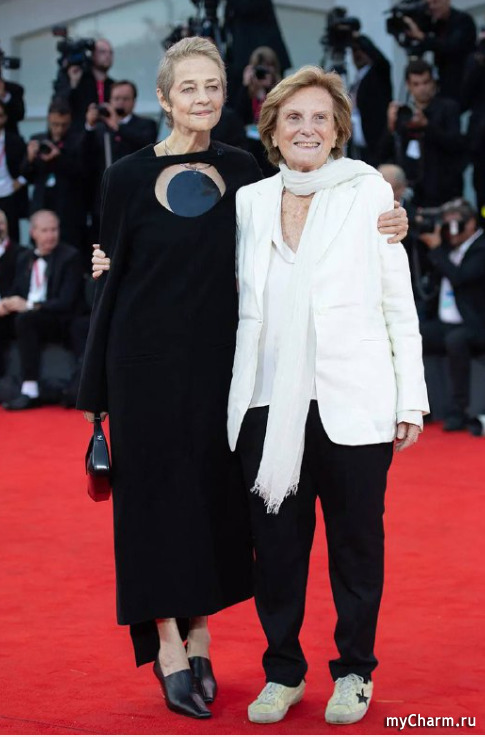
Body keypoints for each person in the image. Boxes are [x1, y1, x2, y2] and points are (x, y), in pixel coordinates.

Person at [87, 41, 409, 722]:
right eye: (188, 88)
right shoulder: (140, 179)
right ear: (163, 97)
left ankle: (219, 639)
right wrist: (102, 274)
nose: (202, 98)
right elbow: (117, 263)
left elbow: (335, 216)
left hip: (238, 373)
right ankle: (187, 650)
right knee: (171, 513)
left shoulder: (253, 174)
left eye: (213, 86)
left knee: (220, 509)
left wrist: (394, 219)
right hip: (161, 370)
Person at [227, 66, 428, 726]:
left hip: (353, 400)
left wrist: (409, 398)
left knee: (355, 547)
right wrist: (114, 262)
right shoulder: (250, 202)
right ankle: (282, 671)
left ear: (339, 128)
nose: (307, 128)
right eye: (293, 117)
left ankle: (355, 671)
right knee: (275, 550)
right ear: (273, 129)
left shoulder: (368, 190)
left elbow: (396, 301)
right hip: (266, 402)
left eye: (320, 117)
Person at [2, 210, 84, 410]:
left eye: (54, 230)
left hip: (59, 319)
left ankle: (30, 389)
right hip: (31, 317)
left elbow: (66, 301)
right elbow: (17, 290)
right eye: (45, 230)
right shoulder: (25, 257)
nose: (50, 235)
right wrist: (5, 304)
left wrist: (29, 306)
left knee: (25, 319)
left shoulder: (70, 256)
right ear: (33, 232)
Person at [419, 199, 485, 434]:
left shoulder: (481, 247)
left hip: (476, 325)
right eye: (446, 225)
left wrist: (437, 250)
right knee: (413, 335)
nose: (449, 231)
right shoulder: (448, 248)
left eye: (454, 224)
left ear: (471, 223)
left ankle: (459, 412)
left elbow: (460, 277)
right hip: (446, 322)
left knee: (456, 340)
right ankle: (420, 407)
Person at [380, 59, 466, 208]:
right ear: (408, 85)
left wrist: (427, 125)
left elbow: (456, 145)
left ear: (433, 82)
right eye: (416, 84)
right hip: (410, 190)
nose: (422, 88)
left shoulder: (448, 108)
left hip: (443, 188)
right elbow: (382, 153)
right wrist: (390, 126)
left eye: (426, 82)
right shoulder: (403, 113)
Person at [80, 79, 158, 240]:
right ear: (109, 101)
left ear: (134, 102)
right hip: (105, 198)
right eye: (116, 98)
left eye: (125, 99)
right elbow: (84, 156)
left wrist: (117, 126)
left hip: (136, 196)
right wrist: (89, 126)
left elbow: (146, 144)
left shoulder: (145, 124)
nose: (120, 103)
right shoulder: (100, 128)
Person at [20, 98, 87, 251]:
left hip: (68, 208)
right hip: (42, 202)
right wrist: (29, 158)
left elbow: (82, 172)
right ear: (49, 119)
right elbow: (27, 176)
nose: (59, 129)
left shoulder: (78, 140)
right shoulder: (38, 139)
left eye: (64, 125)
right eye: (55, 124)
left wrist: (59, 158)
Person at [402, 0, 476, 103]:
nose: (432, 7)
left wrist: (421, 36)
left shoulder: (463, 21)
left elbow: (450, 47)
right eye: (428, 4)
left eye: (435, 2)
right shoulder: (436, 24)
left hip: (465, 84)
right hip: (444, 85)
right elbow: (418, 49)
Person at [349, 33, 392, 166]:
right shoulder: (357, 79)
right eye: (354, 51)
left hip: (375, 143)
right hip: (358, 146)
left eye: (361, 50)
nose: (357, 54)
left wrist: (361, 40)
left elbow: (383, 62)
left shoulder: (377, 74)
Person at [54, 39, 114, 132]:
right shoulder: (79, 82)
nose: (108, 56)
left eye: (110, 52)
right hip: (80, 135)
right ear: (92, 55)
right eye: (102, 52)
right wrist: (73, 83)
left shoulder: (113, 85)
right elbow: (61, 106)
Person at [0, 100, 28, 243]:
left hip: (9, 192)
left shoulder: (15, 140)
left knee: (11, 236)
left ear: (5, 117)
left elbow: (28, 165)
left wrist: (20, 181)